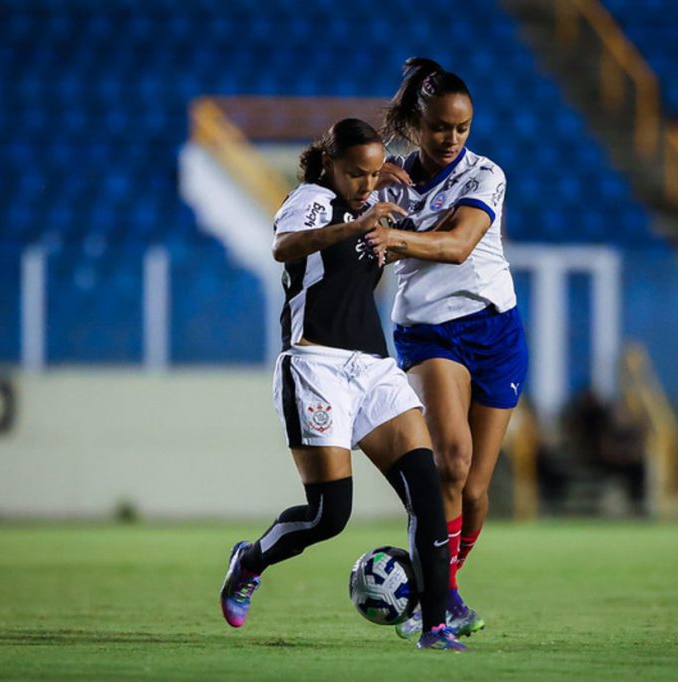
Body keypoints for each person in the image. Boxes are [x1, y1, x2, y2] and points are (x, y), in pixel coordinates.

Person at [218, 118, 466, 652]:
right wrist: (358, 226)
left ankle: (436, 627)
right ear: (331, 163)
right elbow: (285, 247)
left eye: (375, 173)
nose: (367, 184)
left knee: (428, 489)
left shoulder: (371, 204)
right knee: (329, 515)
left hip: (374, 368)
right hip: (315, 364)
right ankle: (250, 560)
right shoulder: (311, 198)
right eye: (357, 173)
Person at [364, 58, 529, 640]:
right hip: (431, 333)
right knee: (450, 462)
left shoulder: (486, 175)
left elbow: (460, 245)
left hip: (496, 330)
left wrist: (396, 235)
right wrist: (368, 193)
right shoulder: (386, 182)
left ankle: (444, 588)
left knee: (477, 490)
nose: (452, 138)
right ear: (417, 123)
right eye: (440, 127)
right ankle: (438, 602)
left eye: (461, 128)